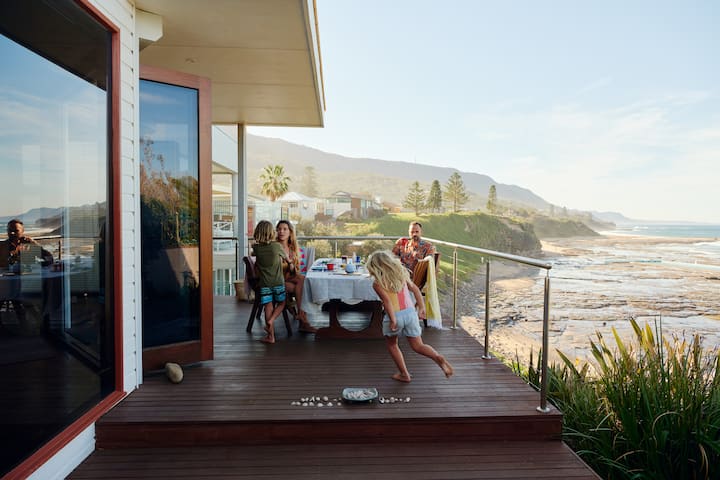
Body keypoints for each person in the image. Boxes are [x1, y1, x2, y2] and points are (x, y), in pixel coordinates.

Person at [365, 250, 453, 383]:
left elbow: (387, 302)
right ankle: (437, 357)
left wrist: (393, 320)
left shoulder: (377, 283)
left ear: (375, 268)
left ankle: (404, 374)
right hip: (410, 313)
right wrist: (422, 308)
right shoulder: (401, 274)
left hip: (395, 316)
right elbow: (416, 290)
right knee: (418, 346)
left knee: (392, 344)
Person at [251, 220, 289, 344]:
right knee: (282, 303)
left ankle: (271, 337)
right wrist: (291, 263)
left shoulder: (256, 248)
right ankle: (271, 320)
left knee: (268, 306)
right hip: (278, 282)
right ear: (271, 232)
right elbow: (287, 260)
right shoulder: (277, 246)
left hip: (264, 284)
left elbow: (255, 257)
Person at [275, 220, 316, 333]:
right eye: (279, 229)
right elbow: (274, 270)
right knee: (303, 285)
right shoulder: (274, 247)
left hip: (288, 278)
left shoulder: (292, 248)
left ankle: (301, 317)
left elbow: (294, 270)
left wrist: (292, 266)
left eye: (284, 229)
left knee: (301, 283)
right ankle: (303, 320)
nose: (281, 232)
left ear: (290, 232)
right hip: (276, 280)